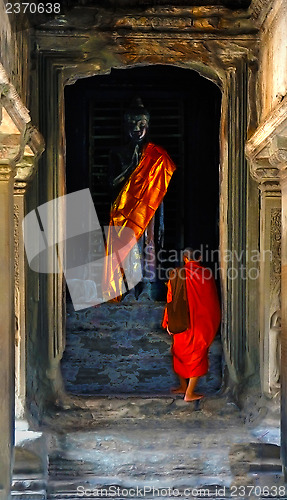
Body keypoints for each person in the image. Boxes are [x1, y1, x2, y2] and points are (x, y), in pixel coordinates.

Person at [104, 98, 176, 301]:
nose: (136, 128)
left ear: (148, 125)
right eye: (132, 124)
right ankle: (129, 288)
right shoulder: (117, 153)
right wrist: (130, 169)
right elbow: (111, 183)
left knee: (149, 244)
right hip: (124, 209)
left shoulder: (157, 156)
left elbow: (160, 189)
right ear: (125, 125)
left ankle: (148, 287)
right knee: (127, 248)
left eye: (141, 124)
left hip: (148, 208)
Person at [162, 248, 221, 401]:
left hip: (182, 323)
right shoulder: (206, 274)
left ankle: (185, 389)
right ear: (200, 257)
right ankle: (188, 391)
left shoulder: (177, 274)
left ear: (185, 259)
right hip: (201, 323)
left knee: (179, 354)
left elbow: (171, 300)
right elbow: (212, 301)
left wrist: (168, 322)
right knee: (198, 355)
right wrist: (213, 322)